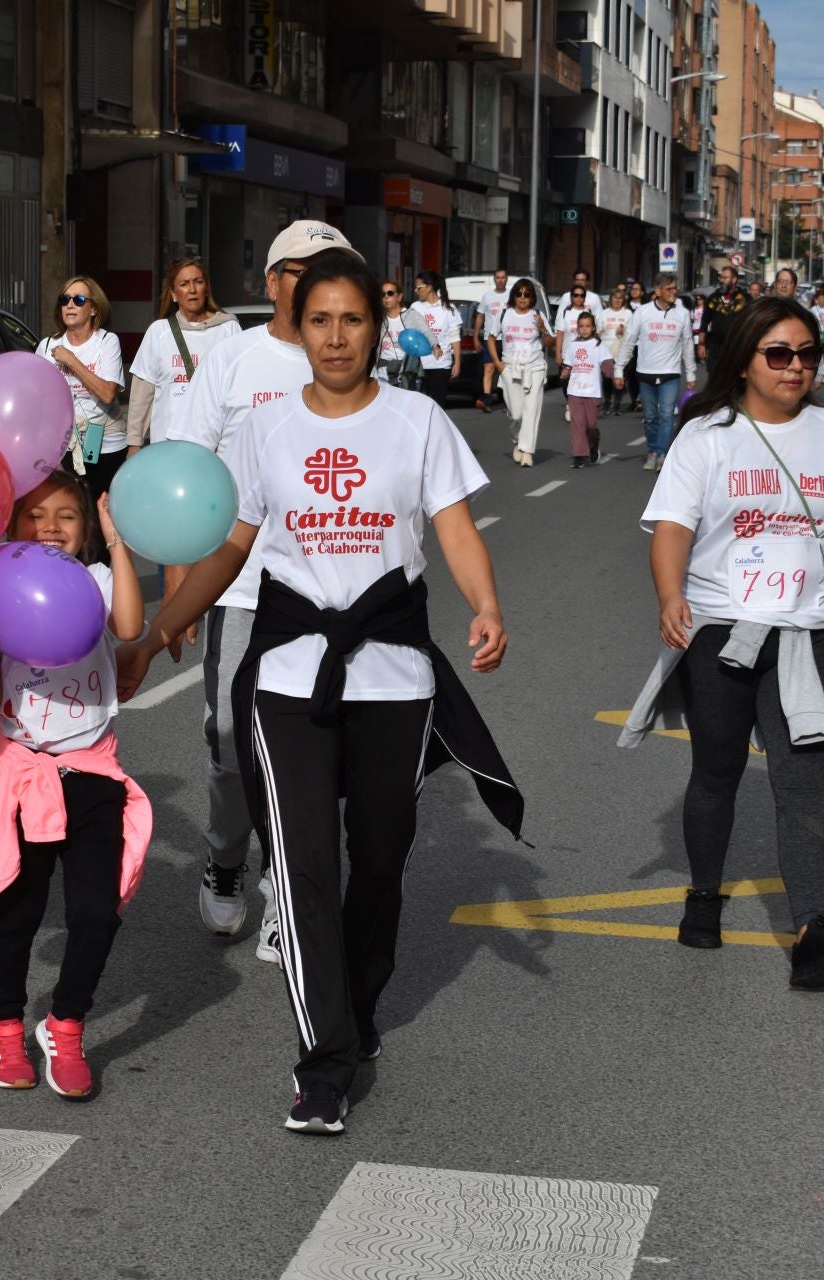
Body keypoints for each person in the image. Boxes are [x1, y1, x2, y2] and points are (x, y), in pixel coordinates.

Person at [115, 251, 522, 1134]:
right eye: (320, 320)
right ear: (297, 328)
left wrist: (486, 604)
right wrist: (157, 629)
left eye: (352, 320)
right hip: (291, 671)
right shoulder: (267, 428)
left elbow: (452, 528)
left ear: (377, 328)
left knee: (378, 857)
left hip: (394, 673)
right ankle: (324, 1061)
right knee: (304, 866)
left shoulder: (417, 420)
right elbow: (229, 547)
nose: (336, 337)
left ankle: (357, 1005)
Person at [619, 297, 824, 990]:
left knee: (803, 784)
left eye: (807, 353)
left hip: (807, 635)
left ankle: (813, 931)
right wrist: (670, 597)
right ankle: (703, 896)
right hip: (721, 633)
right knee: (716, 773)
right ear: (745, 360)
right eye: (778, 354)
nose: (796, 367)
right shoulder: (707, 436)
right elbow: (672, 530)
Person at [168, 219, 362, 954]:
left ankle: (289, 883)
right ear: (274, 280)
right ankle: (226, 858)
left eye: (334, 268)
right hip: (242, 586)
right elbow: (187, 472)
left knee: (312, 743)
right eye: (305, 269)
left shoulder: (350, 359)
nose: (319, 282)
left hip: (329, 596)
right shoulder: (232, 359)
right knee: (226, 735)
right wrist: (182, 591)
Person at [0, 475, 150, 1098]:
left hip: (91, 774)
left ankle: (65, 1022)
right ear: (10, 528)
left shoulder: (98, 581)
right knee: (16, 915)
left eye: (67, 516)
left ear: (86, 528)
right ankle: (4, 1025)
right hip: (22, 775)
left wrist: (118, 545)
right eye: (34, 515)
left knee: (96, 913)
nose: (51, 526)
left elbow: (133, 628)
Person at [126, 256, 240, 455]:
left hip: (216, 448)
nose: (193, 290)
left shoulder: (229, 329)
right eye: (184, 284)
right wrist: (134, 444)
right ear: (174, 293)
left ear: (206, 288)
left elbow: (239, 389)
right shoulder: (159, 332)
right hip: (167, 447)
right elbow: (142, 394)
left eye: (198, 282)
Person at [38, 277, 127, 495]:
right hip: (63, 447)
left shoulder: (107, 341)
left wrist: (71, 360)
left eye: (78, 300)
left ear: (94, 308)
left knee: (100, 517)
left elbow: (107, 394)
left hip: (106, 446)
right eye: (64, 299)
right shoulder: (47, 345)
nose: (70, 305)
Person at [617, 272, 697, 472]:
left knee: (667, 414)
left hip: (670, 373)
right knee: (651, 416)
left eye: (675, 288)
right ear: (658, 291)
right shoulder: (642, 313)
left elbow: (687, 344)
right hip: (646, 373)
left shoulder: (682, 314)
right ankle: (652, 451)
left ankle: (662, 453)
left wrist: (691, 373)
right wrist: (619, 368)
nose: (674, 292)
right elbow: (629, 341)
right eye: (669, 289)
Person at [488, 277, 555, 467]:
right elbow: (491, 338)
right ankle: (518, 440)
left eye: (527, 294)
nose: (523, 298)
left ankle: (527, 451)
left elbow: (551, 342)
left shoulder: (537, 314)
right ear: (514, 296)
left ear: (532, 297)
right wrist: (497, 363)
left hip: (534, 366)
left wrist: (542, 328)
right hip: (510, 367)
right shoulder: (504, 315)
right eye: (519, 294)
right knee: (516, 413)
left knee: (531, 409)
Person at [561, 311, 613, 468]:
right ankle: (579, 455)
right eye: (581, 326)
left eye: (587, 326)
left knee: (590, 425)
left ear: (593, 328)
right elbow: (568, 363)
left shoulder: (598, 345)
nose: (584, 329)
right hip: (575, 390)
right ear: (577, 328)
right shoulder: (573, 345)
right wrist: (565, 371)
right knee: (577, 424)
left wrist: (611, 373)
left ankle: (593, 443)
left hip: (592, 391)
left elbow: (607, 362)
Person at [409, 271, 461, 413]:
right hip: (418, 366)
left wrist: (457, 362)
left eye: (419, 288)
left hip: (441, 364)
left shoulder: (448, 308)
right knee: (420, 409)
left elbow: (454, 337)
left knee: (438, 408)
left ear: (429, 287)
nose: (416, 291)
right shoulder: (415, 307)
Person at [375, 278, 426, 388]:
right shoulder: (379, 319)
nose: (386, 297)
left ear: (399, 296)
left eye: (390, 293)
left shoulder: (410, 317)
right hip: (383, 367)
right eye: (383, 294)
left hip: (404, 368)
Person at [474, 267, 511, 413]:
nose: (500, 280)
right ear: (494, 279)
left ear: (506, 279)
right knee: (488, 368)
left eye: (503, 277)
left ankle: (509, 402)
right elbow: (480, 316)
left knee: (506, 370)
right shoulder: (487, 296)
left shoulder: (511, 296)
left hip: (507, 339)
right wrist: (476, 336)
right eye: (498, 277)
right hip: (490, 338)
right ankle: (486, 400)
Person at [699, 265, 748, 372]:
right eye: (721, 277)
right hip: (716, 348)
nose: (722, 280)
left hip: (737, 348)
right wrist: (701, 344)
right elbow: (704, 322)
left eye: (725, 278)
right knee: (714, 381)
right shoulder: (713, 298)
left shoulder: (745, 299)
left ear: (734, 279)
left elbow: (752, 323)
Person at [598, 284, 635, 416]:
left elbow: (633, 332)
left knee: (620, 377)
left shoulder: (628, 313)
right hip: (606, 349)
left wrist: (623, 331)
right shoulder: (603, 313)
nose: (617, 300)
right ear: (611, 299)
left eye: (620, 298)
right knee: (607, 378)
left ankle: (617, 405)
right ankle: (607, 401)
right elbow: (598, 330)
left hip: (622, 349)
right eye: (615, 298)